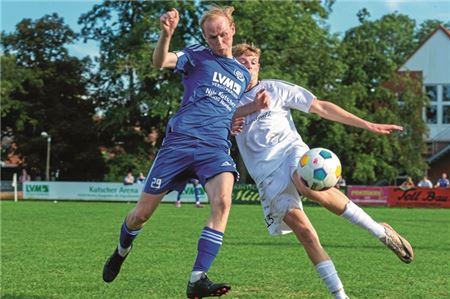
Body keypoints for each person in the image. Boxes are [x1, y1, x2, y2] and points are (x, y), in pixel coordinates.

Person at [102, 7, 268, 299]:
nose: (218, 40)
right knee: (141, 215)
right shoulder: (196, 55)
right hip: (179, 143)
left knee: (224, 201)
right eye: (211, 36)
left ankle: (197, 279)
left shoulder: (242, 74)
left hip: (214, 148)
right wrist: (166, 35)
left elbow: (225, 109)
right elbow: (160, 60)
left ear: (233, 29)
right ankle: (121, 250)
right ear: (205, 37)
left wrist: (251, 108)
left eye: (223, 34)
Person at [231, 43, 414, 298]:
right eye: (242, 62)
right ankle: (341, 295)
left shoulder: (275, 89)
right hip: (265, 175)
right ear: (231, 66)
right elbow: (209, 131)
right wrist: (228, 124)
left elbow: (321, 107)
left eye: (252, 62)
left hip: (291, 153)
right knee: (305, 233)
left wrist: (367, 124)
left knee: (305, 181)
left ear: (259, 66)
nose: (248, 66)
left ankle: (380, 232)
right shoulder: (224, 102)